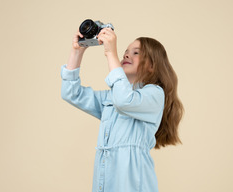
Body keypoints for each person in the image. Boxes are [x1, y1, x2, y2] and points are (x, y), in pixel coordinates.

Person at [60, 27, 184, 192]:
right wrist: (77, 52)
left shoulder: (154, 94)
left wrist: (111, 53)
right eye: (125, 51)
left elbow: (124, 101)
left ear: (152, 65)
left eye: (136, 53)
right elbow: (71, 93)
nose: (126, 54)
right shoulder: (110, 98)